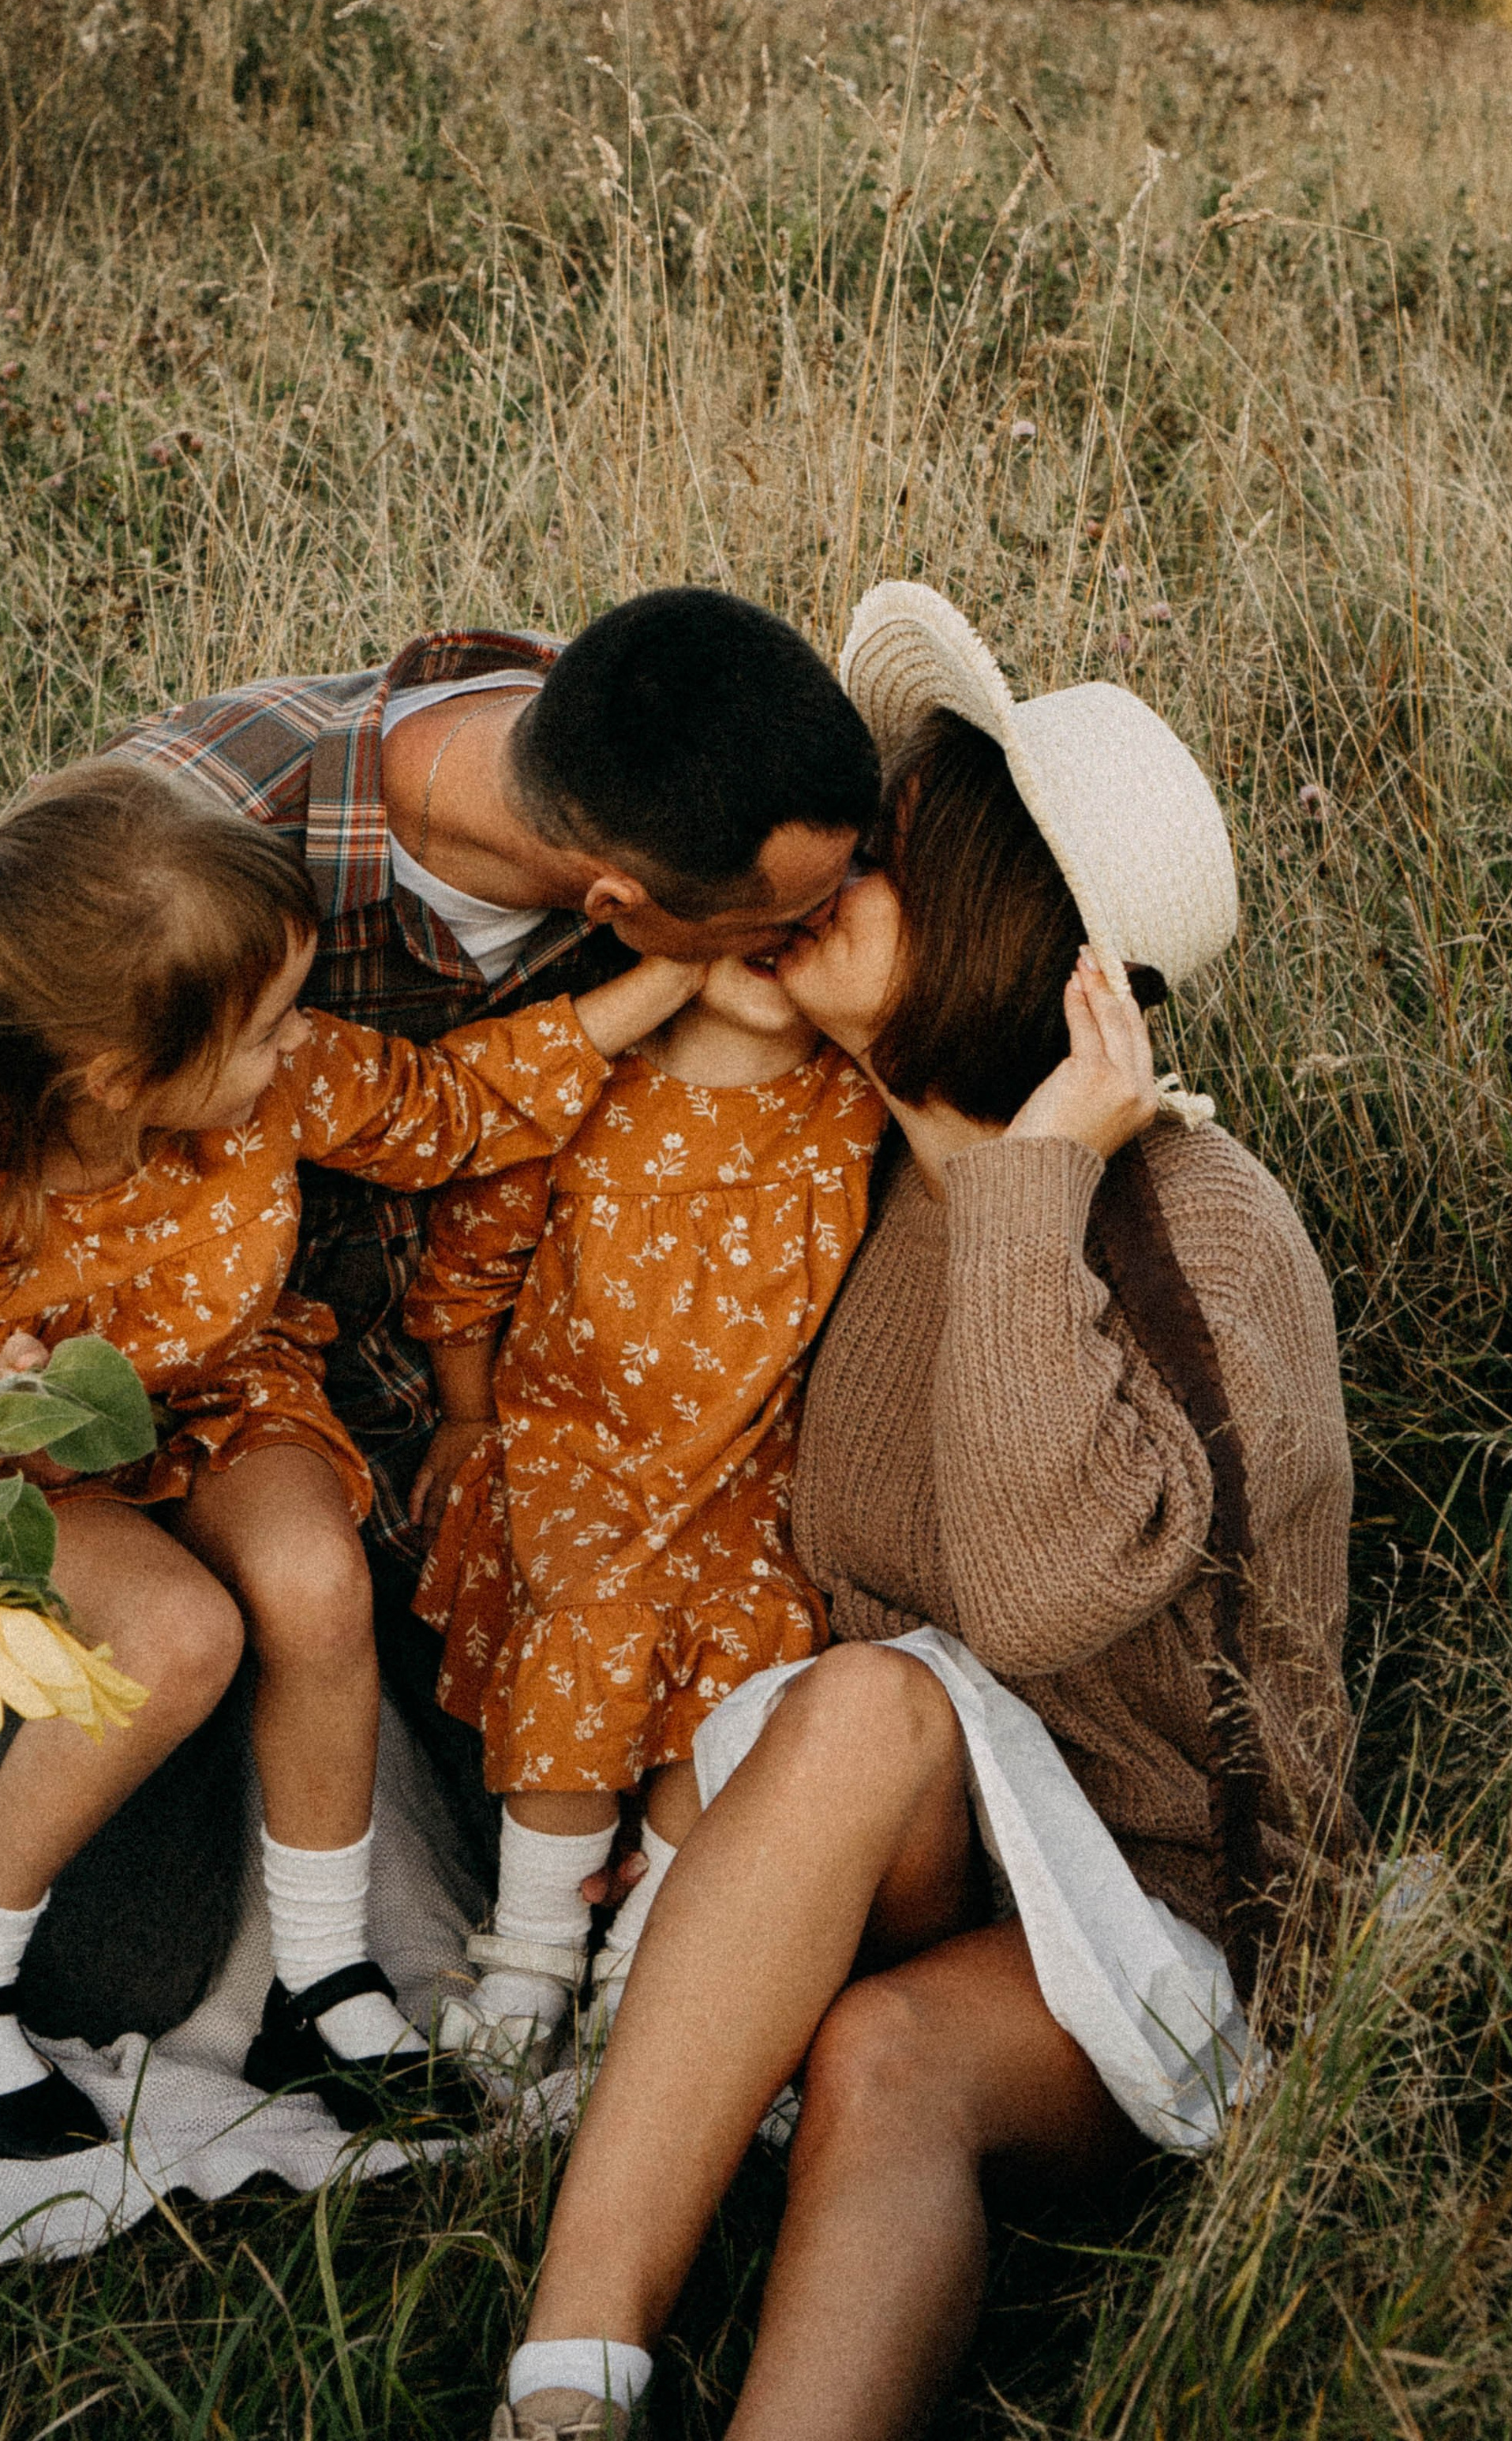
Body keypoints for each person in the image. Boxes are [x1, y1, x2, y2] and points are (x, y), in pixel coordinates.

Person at [483, 583, 1362, 2441]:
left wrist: (1032, 1183)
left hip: (1164, 1908)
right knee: (870, 1711)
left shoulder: (1195, 1234)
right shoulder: (862, 1155)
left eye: (876, 860)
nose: (812, 892)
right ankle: (560, 2390)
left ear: (992, 921)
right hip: (887, 1821)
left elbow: (1041, 1605)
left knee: (890, 2044)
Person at [0, 590, 881, 1885]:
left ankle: (331, 1965)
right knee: (127, 1958)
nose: (801, 941)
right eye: (772, 931)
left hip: (344, 1415)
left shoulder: (670, 762)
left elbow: (448, 1110)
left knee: (509, 1815)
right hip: (66, 1434)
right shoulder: (205, 852)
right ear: (615, 902)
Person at [0, 757, 698, 2166]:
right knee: (177, 1631)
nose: (300, 1046)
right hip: (25, 1473)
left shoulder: (272, 1084)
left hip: (224, 1400)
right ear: (118, 1076)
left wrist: (671, 975)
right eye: (271, 1029)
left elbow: (451, 1112)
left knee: (315, 1581)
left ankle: (319, 1977)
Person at [399, 948, 885, 2075]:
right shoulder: (592, 1081)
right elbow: (472, 1265)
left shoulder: (852, 1100)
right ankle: (532, 1948)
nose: (777, 935)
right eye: (745, 912)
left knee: (763, 1637)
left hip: (743, 1467)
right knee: (591, 1620)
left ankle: (656, 1948)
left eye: (810, 915)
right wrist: (467, 1422)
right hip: (578, 1450)